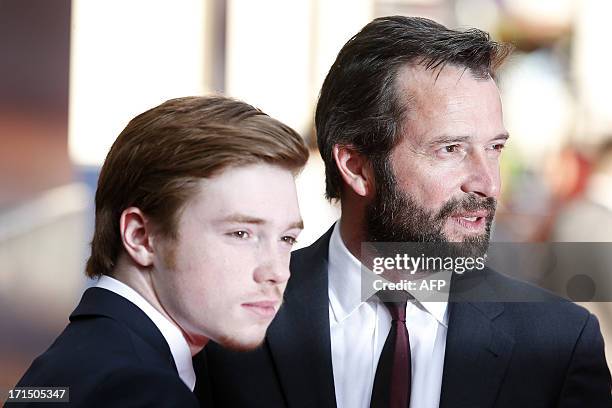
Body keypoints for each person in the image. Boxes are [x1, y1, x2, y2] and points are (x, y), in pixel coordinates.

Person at [201, 16, 611, 407]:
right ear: (357, 166)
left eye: (494, 149)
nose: (487, 183)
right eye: (451, 149)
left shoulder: (558, 343)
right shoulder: (227, 319)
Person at [11, 96, 308, 406]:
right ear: (140, 236)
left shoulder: (72, 363)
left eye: (287, 239)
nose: (277, 272)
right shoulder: (142, 391)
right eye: (241, 233)